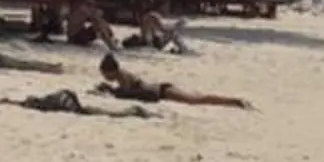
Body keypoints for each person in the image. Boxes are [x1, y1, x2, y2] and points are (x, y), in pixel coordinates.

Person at [98, 48, 251, 110]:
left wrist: (110, 90)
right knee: (196, 98)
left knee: (194, 100)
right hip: (161, 90)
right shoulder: (121, 75)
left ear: (111, 71)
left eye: (105, 74)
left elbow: (126, 93)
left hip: (163, 91)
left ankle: (234, 102)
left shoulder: (122, 76)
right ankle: (234, 102)